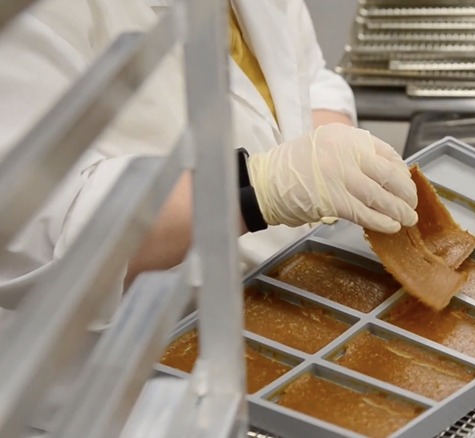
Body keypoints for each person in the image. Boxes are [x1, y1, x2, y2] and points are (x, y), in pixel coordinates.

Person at [0, 0, 417, 324]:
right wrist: (256, 191)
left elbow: (307, 75)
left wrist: (333, 151)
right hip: (131, 378)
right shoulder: (31, 16)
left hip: (274, 301)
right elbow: (41, 230)